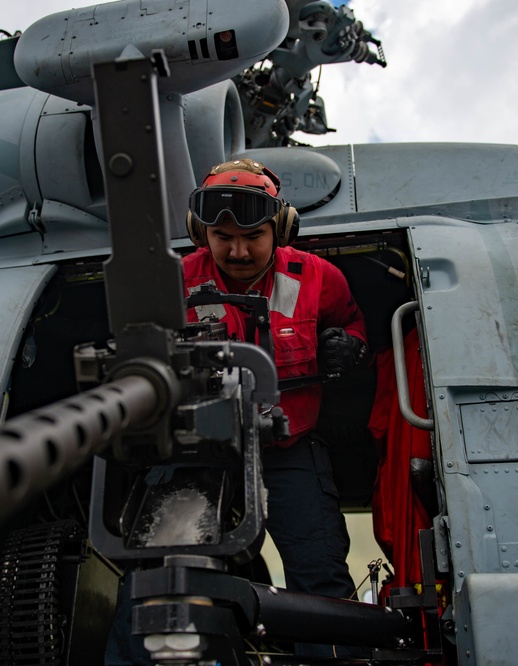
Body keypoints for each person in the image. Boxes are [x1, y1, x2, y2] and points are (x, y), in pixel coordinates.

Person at [183, 158, 368, 654]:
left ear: (279, 228)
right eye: (222, 237)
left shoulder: (319, 278)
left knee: (320, 576)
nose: (238, 251)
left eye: (253, 237)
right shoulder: (175, 282)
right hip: (204, 456)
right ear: (202, 233)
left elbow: (352, 321)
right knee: (182, 582)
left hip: (291, 447)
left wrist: (349, 344)